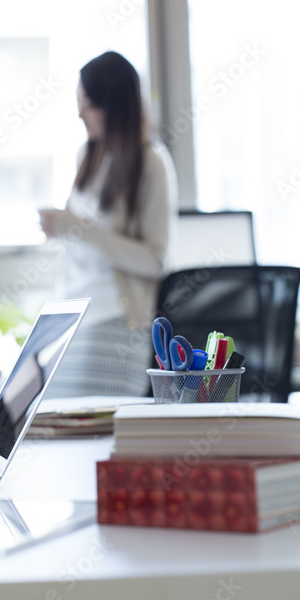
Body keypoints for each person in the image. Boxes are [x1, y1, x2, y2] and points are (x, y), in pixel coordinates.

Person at [39, 51, 178, 397]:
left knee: (97, 434)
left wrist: (79, 227)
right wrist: (64, 228)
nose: (79, 113)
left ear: (112, 104)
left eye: (88, 104)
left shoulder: (151, 164)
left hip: (116, 320)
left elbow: (153, 261)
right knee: (54, 424)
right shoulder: (87, 156)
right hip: (70, 316)